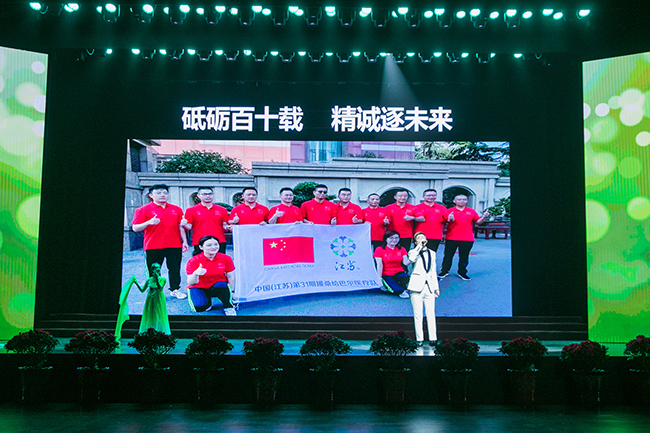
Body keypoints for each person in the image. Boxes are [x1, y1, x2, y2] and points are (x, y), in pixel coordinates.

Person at [132, 184, 188, 300]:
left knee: (174, 268)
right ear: (151, 195)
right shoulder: (143, 210)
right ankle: (155, 290)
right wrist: (149, 222)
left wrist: (185, 241)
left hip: (174, 244)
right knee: (154, 270)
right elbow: (135, 228)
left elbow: (180, 226)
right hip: (153, 245)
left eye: (165, 193)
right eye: (158, 193)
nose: (163, 195)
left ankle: (175, 289)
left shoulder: (176, 209)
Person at [438, 194, 490, 281]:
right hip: (452, 238)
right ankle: (444, 271)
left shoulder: (471, 211)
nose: (461, 201)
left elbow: (478, 222)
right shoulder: (449, 211)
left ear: (466, 201)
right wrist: (449, 219)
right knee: (448, 256)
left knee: (464, 256)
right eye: (459, 199)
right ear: (454, 201)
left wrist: (484, 217)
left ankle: (462, 272)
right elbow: (444, 220)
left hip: (467, 238)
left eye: (464, 199)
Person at [186, 235, 237, 316]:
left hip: (218, 286)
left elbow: (231, 276)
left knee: (222, 284)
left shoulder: (225, 258)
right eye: (209, 245)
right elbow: (191, 283)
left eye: (216, 244)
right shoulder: (194, 261)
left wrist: (233, 291)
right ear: (201, 247)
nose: (213, 247)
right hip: (200, 286)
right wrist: (196, 273)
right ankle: (207, 302)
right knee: (199, 308)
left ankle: (228, 306)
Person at [407, 232, 440, 346]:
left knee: (431, 313)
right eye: (418, 238)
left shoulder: (432, 253)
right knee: (418, 314)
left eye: (423, 237)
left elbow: (433, 271)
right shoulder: (412, 252)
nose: (421, 239)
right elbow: (411, 259)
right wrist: (418, 247)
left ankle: (433, 338)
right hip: (416, 287)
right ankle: (419, 339)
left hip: (429, 286)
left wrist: (436, 287)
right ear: (415, 242)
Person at [183, 186, 229, 255]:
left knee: (219, 260)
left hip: (218, 241)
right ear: (198, 196)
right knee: (200, 261)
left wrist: (229, 226)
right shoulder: (191, 210)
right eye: (204, 194)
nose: (208, 196)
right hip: (199, 241)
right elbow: (189, 227)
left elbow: (224, 225)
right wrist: (184, 224)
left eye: (210, 194)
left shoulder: (222, 210)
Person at [133, 262, 171, 334]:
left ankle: (160, 331)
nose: (158, 269)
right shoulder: (149, 280)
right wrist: (136, 283)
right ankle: (150, 331)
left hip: (158, 298)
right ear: (152, 270)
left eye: (159, 268)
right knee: (150, 313)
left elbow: (160, 288)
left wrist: (156, 278)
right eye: (156, 268)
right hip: (150, 298)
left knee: (159, 313)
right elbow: (142, 290)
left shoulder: (163, 279)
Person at [373, 230, 411, 299]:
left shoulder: (401, 249)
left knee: (405, 277)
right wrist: (379, 278)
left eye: (396, 238)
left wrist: (413, 258)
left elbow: (405, 263)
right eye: (391, 238)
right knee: (396, 289)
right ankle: (399, 290)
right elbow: (379, 265)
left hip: (398, 272)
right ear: (386, 239)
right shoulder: (379, 249)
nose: (394, 240)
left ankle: (401, 287)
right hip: (387, 274)